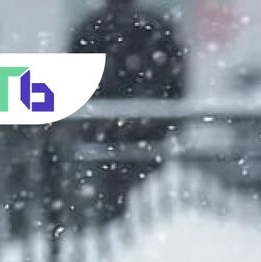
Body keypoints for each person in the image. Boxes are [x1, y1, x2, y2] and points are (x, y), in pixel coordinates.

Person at [67, 0, 187, 224]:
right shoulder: (156, 26)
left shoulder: (91, 28)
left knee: (105, 204)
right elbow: (175, 84)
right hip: (147, 133)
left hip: (102, 135)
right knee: (150, 210)